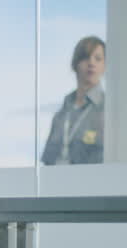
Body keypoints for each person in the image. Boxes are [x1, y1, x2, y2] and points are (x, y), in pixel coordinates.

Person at [41, 36, 106, 166]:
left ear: (104, 66)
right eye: (85, 57)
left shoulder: (108, 110)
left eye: (98, 59)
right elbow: (48, 161)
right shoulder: (63, 113)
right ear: (75, 64)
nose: (91, 63)